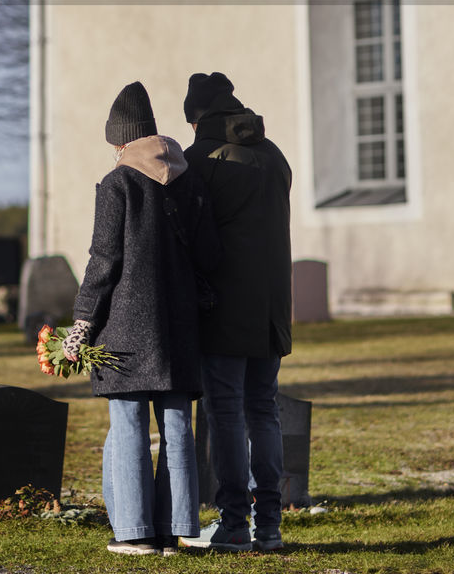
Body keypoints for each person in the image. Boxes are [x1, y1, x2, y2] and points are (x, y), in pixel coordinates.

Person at [63, 80, 220, 556]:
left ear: (121, 141)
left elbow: (103, 260)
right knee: (176, 425)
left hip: (127, 329)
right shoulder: (189, 180)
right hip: (181, 326)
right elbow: (210, 254)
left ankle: (133, 533)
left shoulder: (118, 185)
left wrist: (81, 324)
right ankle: (174, 532)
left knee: (129, 423)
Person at [178, 71, 292, 555]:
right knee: (263, 411)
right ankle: (270, 525)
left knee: (224, 414)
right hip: (272, 308)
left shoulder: (199, 160)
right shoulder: (274, 155)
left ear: (197, 116)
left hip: (223, 308)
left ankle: (233, 525)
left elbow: (190, 239)